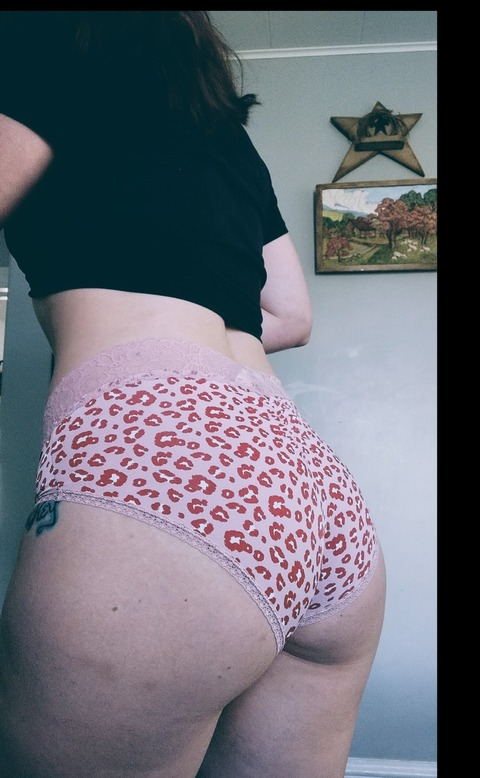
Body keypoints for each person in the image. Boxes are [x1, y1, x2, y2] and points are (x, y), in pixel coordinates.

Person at [0, 11, 386, 778]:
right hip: (309, 483)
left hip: (168, 460)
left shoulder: (36, 40)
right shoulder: (222, 131)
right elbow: (292, 316)